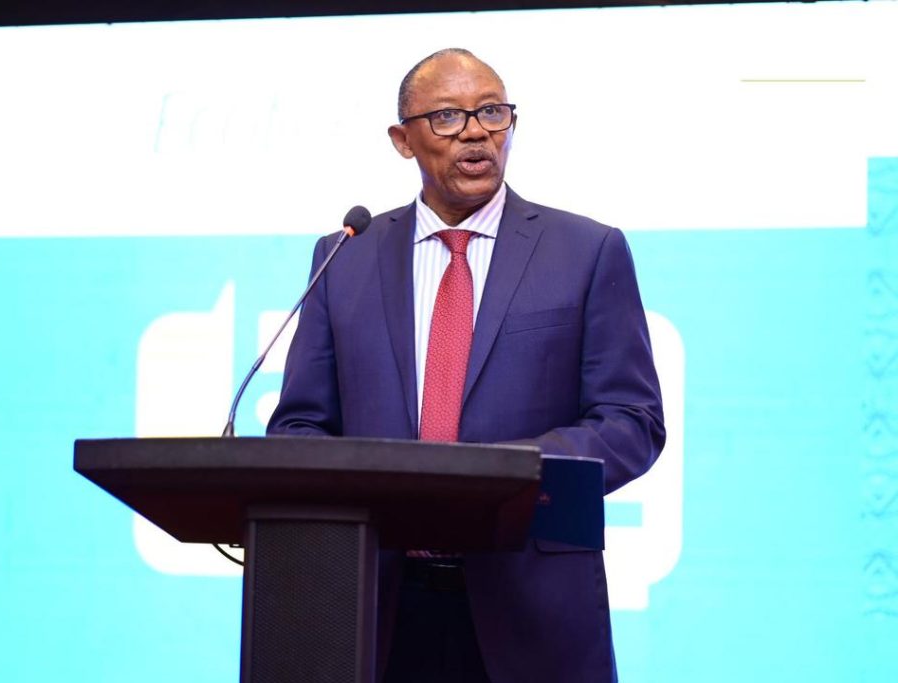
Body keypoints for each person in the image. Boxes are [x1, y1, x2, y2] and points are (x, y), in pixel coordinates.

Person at [267, 48, 665, 683]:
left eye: (492, 112)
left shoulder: (586, 251)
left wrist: (498, 479)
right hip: (377, 606)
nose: (477, 132)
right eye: (448, 117)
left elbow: (630, 422)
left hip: (534, 606)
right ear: (403, 140)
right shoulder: (345, 257)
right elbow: (299, 427)